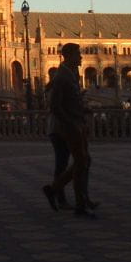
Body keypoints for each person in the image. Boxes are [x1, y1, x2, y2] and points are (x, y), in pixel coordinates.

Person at [42, 43, 99, 217]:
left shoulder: (70, 74)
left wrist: (82, 110)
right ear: (69, 56)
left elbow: (68, 102)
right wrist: (71, 123)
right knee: (81, 162)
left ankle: (69, 196)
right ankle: (63, 195)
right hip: (69, 127)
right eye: (78, 54)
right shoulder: (62, 77)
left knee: (83, 162)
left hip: (75, 124)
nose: (81, 57)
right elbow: (55, 106)